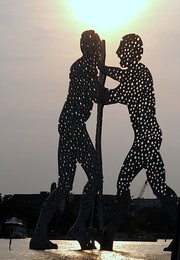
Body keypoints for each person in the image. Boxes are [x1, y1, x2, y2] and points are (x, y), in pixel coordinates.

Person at [99, 34, 178, 250]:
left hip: (147, 138)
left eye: (121, 50)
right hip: (146, 138)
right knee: (159, 187)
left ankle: (111, 233)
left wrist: (104, 86)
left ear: (132, 52)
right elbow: (120, 79)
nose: (117, 53)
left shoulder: (141, 73)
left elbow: (121, 92)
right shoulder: (134, 73)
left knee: (124, 183)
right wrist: (103, 70)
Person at [30, 30, 107, 250]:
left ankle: (44, 233)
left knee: (67, 183)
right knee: (92, 176)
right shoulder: (82, 68)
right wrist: (119, 93)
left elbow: (97, 93)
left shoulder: (87, 68)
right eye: (94, 49)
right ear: (88, 49)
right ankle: (76, 227)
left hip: (72, 125)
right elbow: (97, 95)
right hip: (72, 126)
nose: (96, 52)